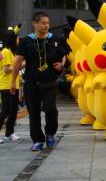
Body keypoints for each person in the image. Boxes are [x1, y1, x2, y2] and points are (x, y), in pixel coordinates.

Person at [10, 12, 66, 151]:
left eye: (47, 23)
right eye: (43, 23)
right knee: (33, 113)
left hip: (50, 81)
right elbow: (18, 61)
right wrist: (13, 81)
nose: (46, 25)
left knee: (51, 109)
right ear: (34, 24)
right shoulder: (27, 41)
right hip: (31, 82)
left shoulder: (55, 39)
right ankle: (38, 140)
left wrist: (62, 65)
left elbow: (63, 54)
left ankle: (50, 133)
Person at [0, 29, 21, 143]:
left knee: (13, 110)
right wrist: (19, 66)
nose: (18, 40)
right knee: (6, 110)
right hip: (6, 85)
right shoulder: (6, 52)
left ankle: (9, 133)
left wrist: (20, 65)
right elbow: (6, 69)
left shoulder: (11, 52)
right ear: (12, 39)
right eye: (17, 38)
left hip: (14, 84)